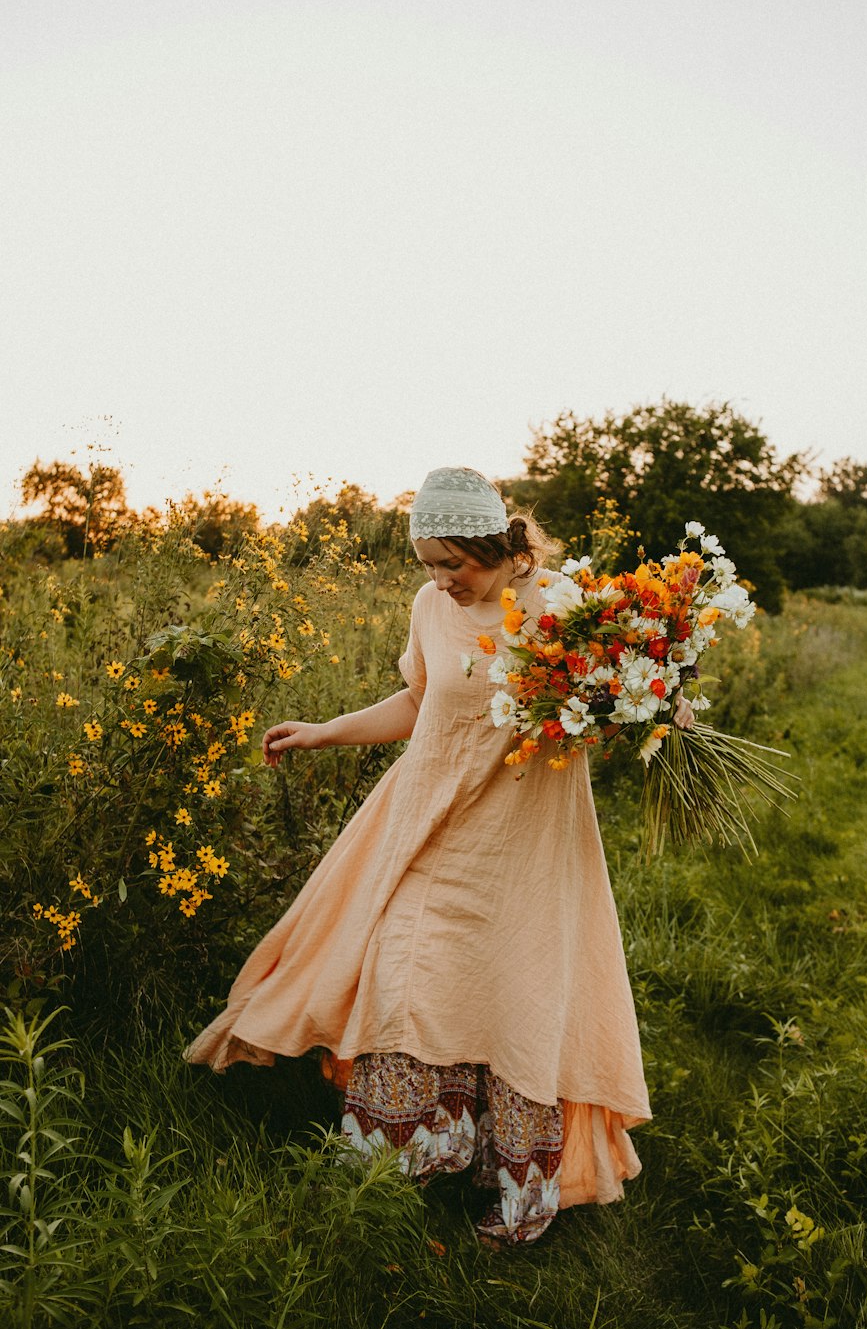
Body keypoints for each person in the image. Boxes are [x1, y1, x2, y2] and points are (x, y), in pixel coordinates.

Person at [184, 466, 694, 1245]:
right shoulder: (430, 606)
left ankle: (512, 1187)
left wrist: (657, 700)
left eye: (452, 563)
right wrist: (321, 730)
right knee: (405, 966)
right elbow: (421, 702)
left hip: (524, 839)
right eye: (428, 564)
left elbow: (625, 698)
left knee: (516, 992)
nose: (440, 580)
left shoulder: (565, 607)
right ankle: (403, 1163)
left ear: (497, 544)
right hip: (428, 818)